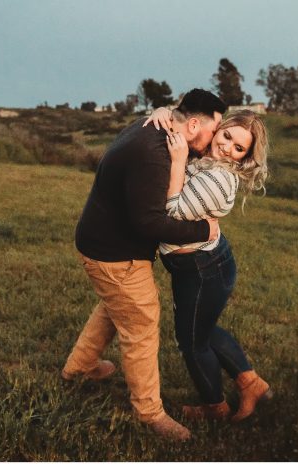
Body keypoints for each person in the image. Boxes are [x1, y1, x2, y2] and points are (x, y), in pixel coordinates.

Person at [61, 89, 227, 443]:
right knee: (142, 323)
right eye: (214, 133)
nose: (213, 142)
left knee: (114, 307)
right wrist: (205, 228)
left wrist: (164, 108)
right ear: (194, 124)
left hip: (103, 245)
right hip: (114, 253)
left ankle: (78, 368)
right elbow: (149, 223)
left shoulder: (151, 126)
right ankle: (150, 413)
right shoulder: (154, 153)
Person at [147, 107, 271, 423]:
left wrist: (177, 161)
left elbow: (171, 214)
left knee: (192, 342)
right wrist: (165, 111)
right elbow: (188, 116)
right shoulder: (208, 161)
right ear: (219, 128)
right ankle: (250, 384)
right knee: (202, 330)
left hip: (204, 270)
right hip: (201, 266)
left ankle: (215, 407)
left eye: (239, 148)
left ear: (245, 157)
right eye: (227, 136)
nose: (227, 148)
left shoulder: (219, 178)